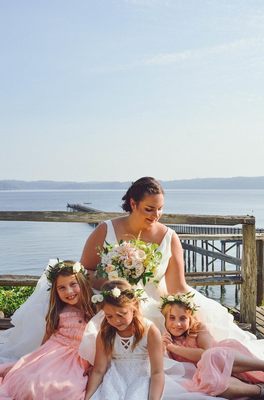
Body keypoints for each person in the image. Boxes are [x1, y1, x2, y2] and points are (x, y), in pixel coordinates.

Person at [80, 176, 264, 364]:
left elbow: (177, 286)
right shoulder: (105, 230)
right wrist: (116, 286)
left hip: (156, 302)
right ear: (133, 204)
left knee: (208, 331)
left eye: (160, 208)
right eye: (149, 209)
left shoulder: (169, 237)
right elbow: (85, 272)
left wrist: (188, 312)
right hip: (116, 301)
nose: (156, 215)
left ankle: (240, 364)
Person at [0, 260, 96, 399]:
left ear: (82, 282)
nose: (69, 291)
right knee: (31, 380)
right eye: (61, 288)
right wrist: (36, 361)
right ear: (56, 291)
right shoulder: (59, 311)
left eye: (73, 284)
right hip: (52, 352)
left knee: (67, 389)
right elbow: (46, 339)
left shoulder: (97, 309)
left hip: (77, 360)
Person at [161, 292, 264, 399]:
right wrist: (165, 346)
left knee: (211, 355)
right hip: (210, 373)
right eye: (172, 318)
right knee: (211, 384)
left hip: (228, 360)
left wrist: (173, 348)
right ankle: (258, 390)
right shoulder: (165, 337)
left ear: (190, 318)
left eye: (183, 318)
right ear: (165, 319)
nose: (177, 324)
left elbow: (205, 353)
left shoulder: (198, 328)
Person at [84, 279, 165, 400]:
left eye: (121, 314)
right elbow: (98, 370)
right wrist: (88, 397)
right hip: (115, 379)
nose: (115, 320)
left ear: (134, 307)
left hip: (141, 379)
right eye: (109, 316)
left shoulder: (150, 331)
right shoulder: (105, 333)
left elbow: (157, 372)